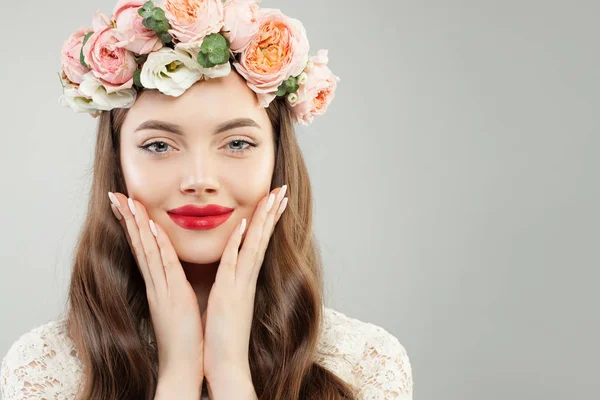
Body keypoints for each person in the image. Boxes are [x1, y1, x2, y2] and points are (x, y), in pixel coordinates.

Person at [0, 0, 413, 398]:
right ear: (117, 164)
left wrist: (230, 376)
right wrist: (178, 377)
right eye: (159, 146)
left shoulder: (362, 364)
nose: (200, 181)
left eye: (237, 142)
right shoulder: (46, 368)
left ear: (277, 160)